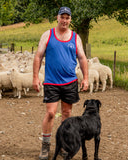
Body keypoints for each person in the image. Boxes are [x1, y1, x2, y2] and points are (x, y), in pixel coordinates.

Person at [33, 6, 88, 160]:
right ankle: (45, 146)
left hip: (70, 81)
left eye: (67, 18)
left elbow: (82, 58)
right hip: (51, 81)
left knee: (67, 114)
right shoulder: (47, 35)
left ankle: (64, 145)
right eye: (62, 17)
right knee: (50, 113)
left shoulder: (75, 38)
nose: (64, 20)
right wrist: (35, 77)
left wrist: (86, 78)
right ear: (57, 18)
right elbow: (38, 56)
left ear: (70, 20)